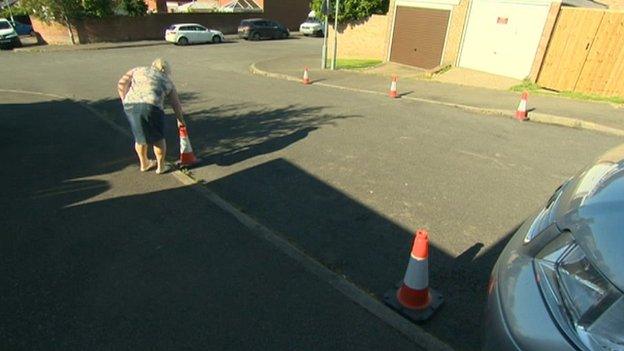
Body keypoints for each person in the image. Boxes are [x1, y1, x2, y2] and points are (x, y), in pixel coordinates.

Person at [117, 58, 186, 174]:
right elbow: (176, 104)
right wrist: (180, 120)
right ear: (166, 71)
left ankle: (144, 163)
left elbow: (121, 83)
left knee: (139, 137)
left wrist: (124, 98)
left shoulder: (137, 70)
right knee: (157, 138)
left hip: (131, 105)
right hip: (151, 106)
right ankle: (161, 166)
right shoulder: (167, 81)